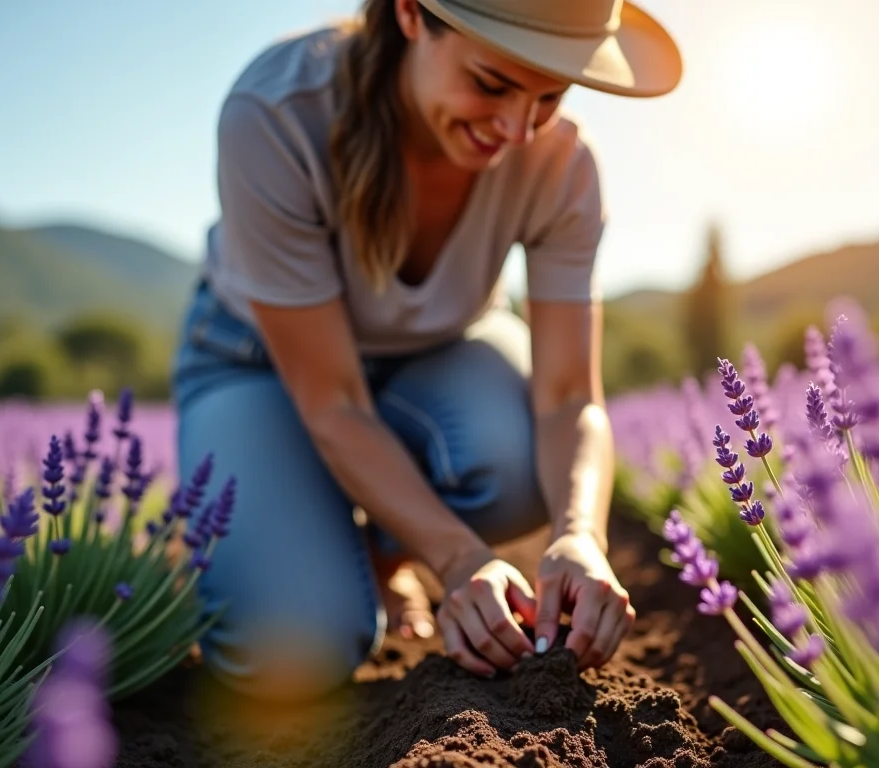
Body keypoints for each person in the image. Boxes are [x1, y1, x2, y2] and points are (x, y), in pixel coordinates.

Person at [170, 0, 683, 703]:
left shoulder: (564, 163)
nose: (515, 130)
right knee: (289, 650)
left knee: (522, 460)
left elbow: (569, 397)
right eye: (492, 84)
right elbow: (334, 400)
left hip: (438, 356)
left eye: (548, 95)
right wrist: (460, 555)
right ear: (411, 13)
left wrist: (579, 536)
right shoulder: (279, 111)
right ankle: (303, 522)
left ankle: (385, 550)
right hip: (260, 366)